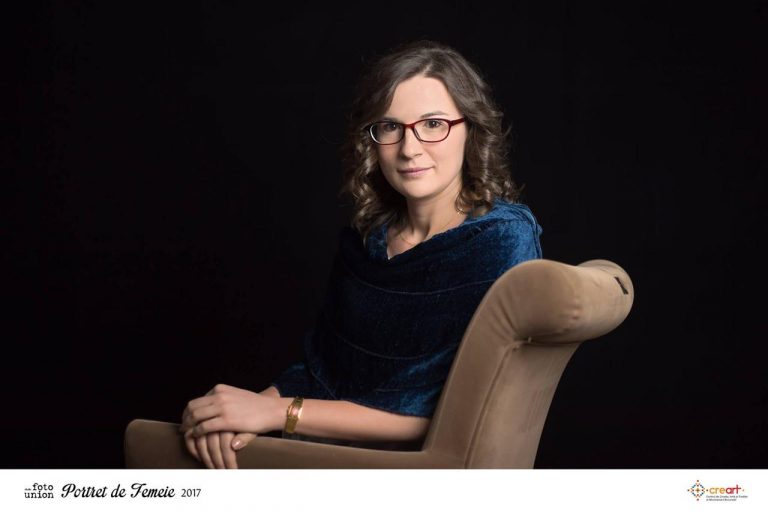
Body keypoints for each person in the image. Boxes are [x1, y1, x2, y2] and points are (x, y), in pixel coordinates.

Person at [178, 39, 544, 469]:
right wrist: (235, 415)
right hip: (320, 453)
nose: (409, 148)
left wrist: (279, 413)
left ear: (471, 130)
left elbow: (444, 411)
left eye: (433, 124)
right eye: (390, 127)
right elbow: (320, 370)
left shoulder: (498, 239)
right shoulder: (367, 238)